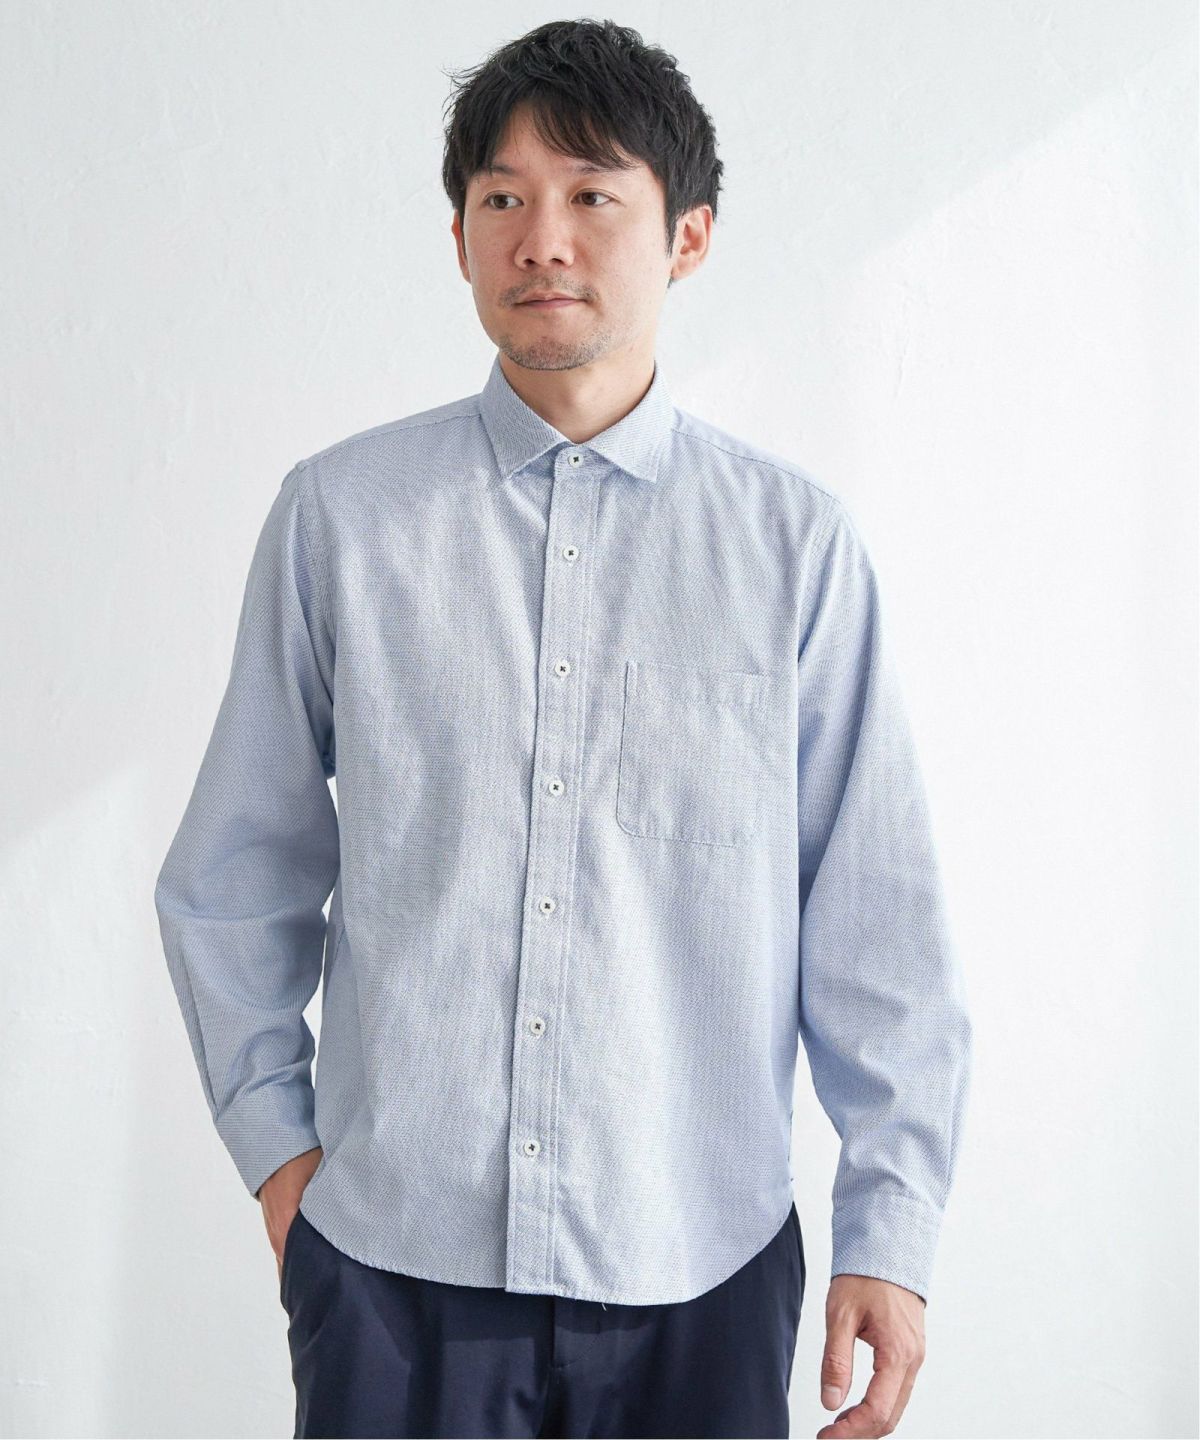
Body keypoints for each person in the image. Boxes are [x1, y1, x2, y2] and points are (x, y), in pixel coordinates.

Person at [154, 17, 973, 1440]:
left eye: (593, 194)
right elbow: (233, 874)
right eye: (503, 199)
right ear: (461, 237)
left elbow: (877, 926)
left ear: (688, 236)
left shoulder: (793, 550)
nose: (543, 239)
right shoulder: (341, 521)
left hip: (700, 1266)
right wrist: (282, 1160)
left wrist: (888, 1235)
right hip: (392, 1267)